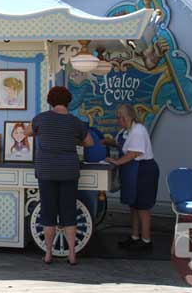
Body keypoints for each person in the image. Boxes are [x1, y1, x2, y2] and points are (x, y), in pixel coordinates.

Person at [27, 86, 94, 265]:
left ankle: (48, 253)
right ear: (68, 101)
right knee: (69, 212)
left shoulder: (41, 118)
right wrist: (73, 140)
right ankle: (72, 254)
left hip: (47, 171)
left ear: (50, 101)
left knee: (48, 213)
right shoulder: (75, 122)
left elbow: (27, 132)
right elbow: (90, 142)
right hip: (68, 171)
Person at [105, 104, 160, 251]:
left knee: (143, 206)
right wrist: (105, 141)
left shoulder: (138, 131)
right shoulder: (125, 131)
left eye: (119, 117)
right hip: (131, 170)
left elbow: (133, 153)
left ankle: (146, 241)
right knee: (133, 205)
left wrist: (116, 162)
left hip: (144, 170)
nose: (117, 120)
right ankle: (135, 237)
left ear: (125, 117)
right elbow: (118, 143)